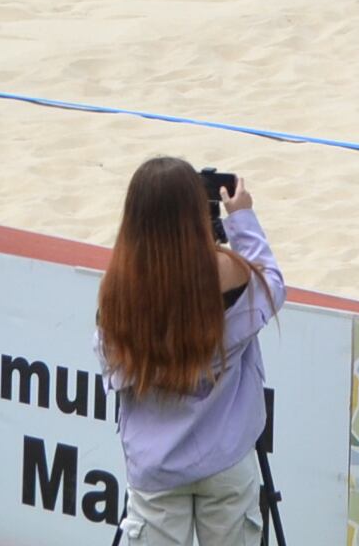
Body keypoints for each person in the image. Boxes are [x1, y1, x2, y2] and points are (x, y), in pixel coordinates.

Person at [98, 157, 287, 546]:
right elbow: (273, 285)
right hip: (227, 456)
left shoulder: (122, 286)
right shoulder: (226, 271)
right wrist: (242, 221)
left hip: (158, 464)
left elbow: (113, 367)